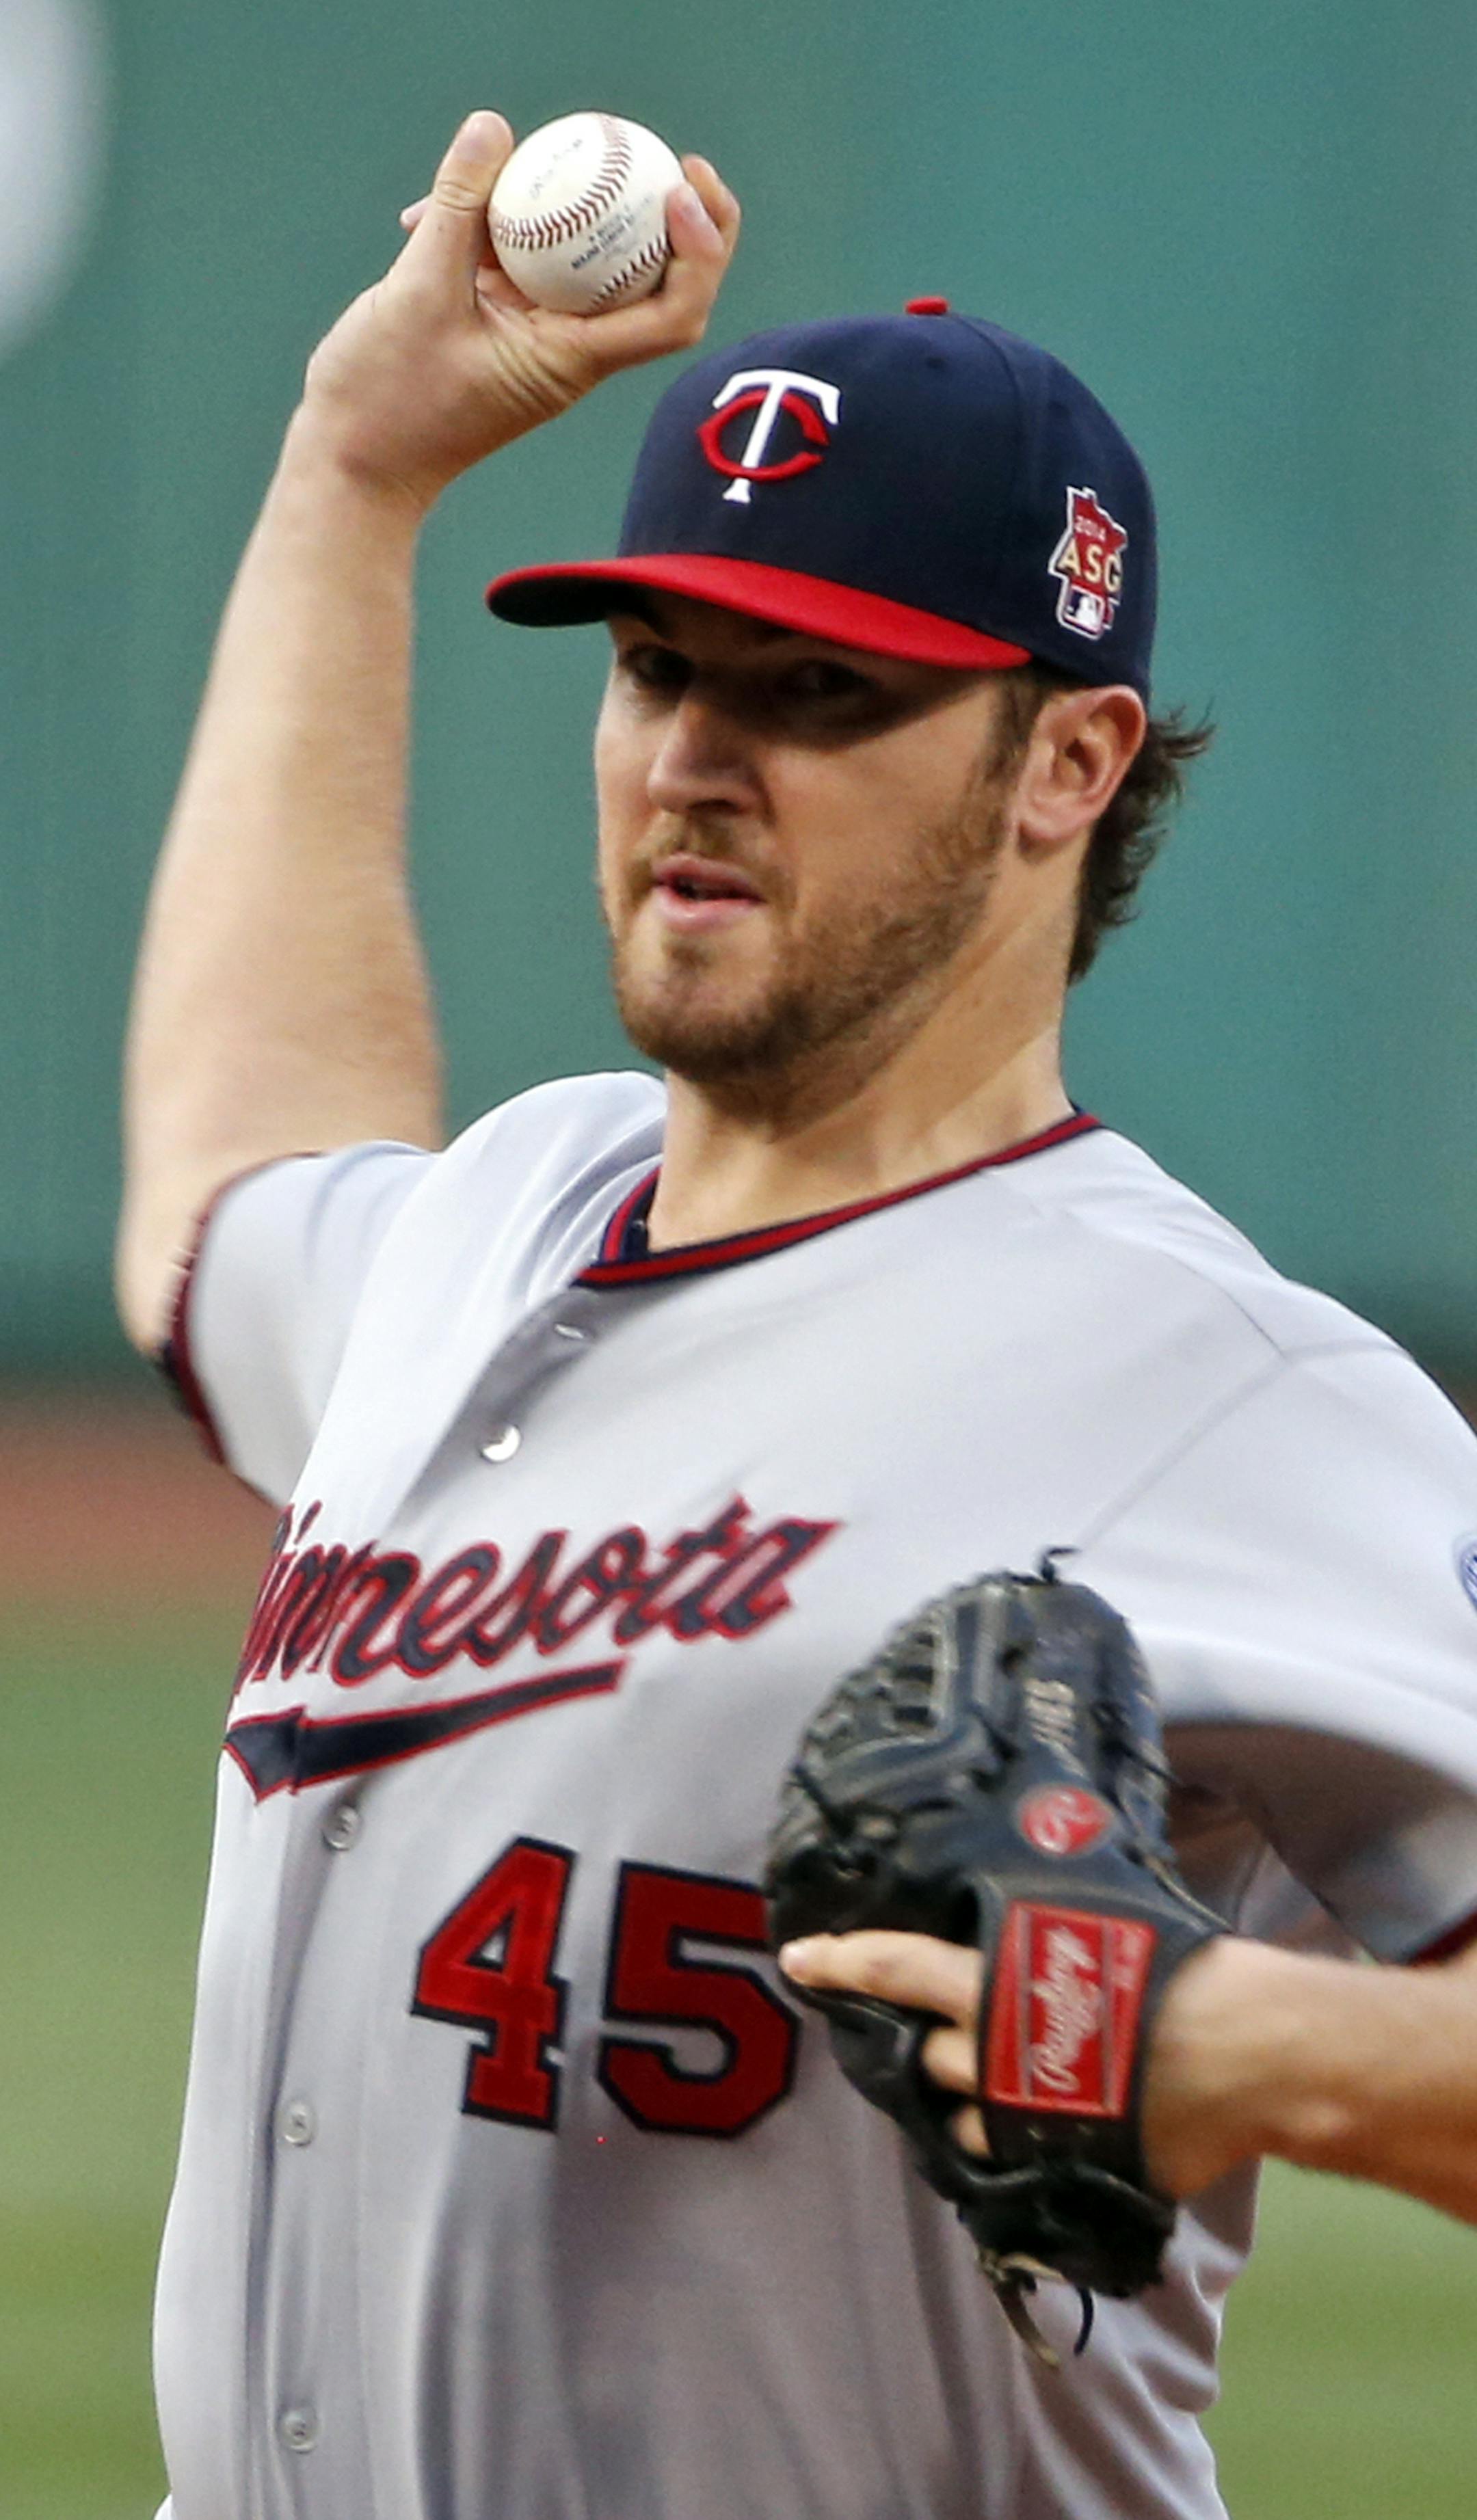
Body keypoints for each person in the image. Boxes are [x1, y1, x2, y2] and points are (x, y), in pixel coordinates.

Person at [117, 108, 1477, 2520]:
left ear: (1068, 760)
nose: (698, 758)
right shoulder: (493, 1223)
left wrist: (1252, 2045)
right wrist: (350, 474)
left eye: (822, 690)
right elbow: (231, 1178)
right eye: (656, 667)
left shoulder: (1233, 1393)